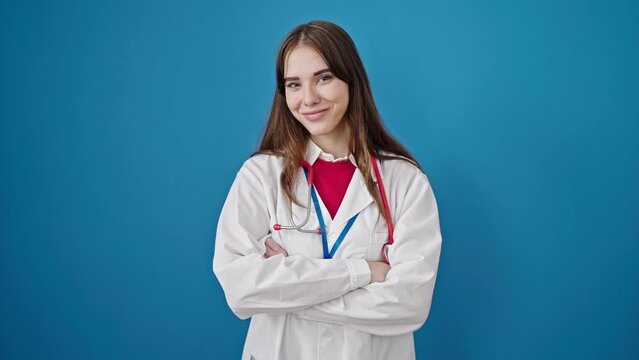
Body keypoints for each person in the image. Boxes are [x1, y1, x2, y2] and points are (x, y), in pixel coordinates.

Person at [213, 20, 442, 360]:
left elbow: (409, 304)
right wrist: (364, 271)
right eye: (294, 84)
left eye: (323, 78)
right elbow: (241, 289)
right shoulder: (259, 176)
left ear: (351, 80)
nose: (308, 98)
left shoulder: (404, 181)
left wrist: (286, 294)